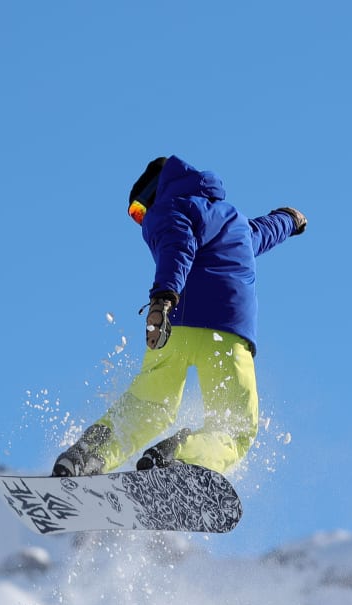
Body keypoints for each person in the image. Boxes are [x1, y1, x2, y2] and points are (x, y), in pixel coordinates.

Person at [52, 154, 306, 477]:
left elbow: (178, 247)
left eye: (137, 210)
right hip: (227, 334)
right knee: (234, 427)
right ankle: (178, 457)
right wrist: (290, 218)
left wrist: (163, 298)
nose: (141, 219)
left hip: (176, 322)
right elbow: (264, 231)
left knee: (149, 405)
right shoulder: (235, 222)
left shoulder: (169, 210)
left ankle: (86, 455)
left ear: (152, 193)